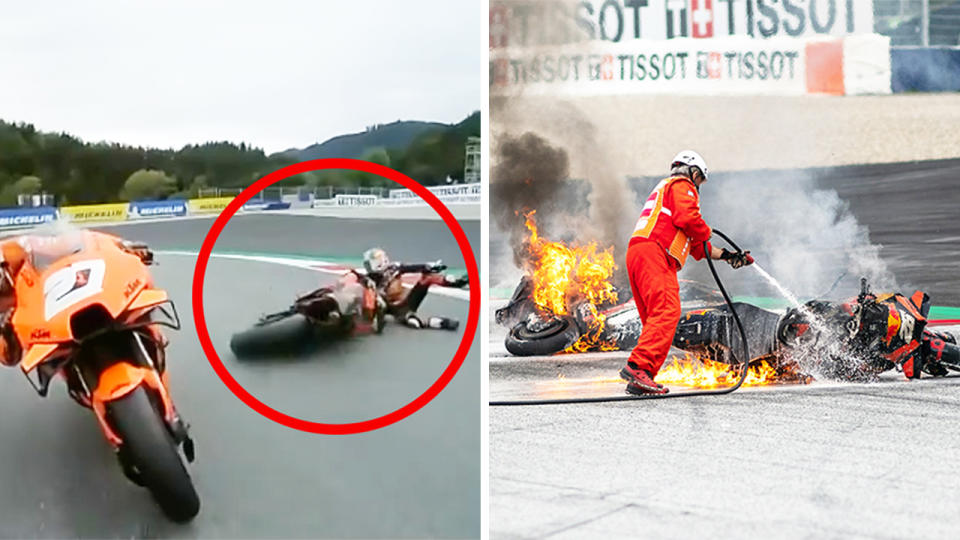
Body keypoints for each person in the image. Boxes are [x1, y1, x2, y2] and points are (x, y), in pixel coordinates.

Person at [620, 150, 754, 395]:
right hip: (655, 254)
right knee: (668, 311)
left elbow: (698, 248)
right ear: (693, 172)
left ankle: (642, 376)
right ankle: (638, 367)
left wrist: (729, 256)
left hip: (640, 252)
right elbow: (689, 219)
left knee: (655, 319)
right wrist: (704, 229)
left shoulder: (666, 193)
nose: (699, 186)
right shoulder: (682, 184)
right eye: (700, 179)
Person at [0, 233, 154, 367]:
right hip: (44, 325)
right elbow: (9, 358)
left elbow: (70, 242)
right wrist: (8, 335)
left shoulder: (14, 251)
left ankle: (154, 335)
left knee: (137, 294)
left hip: (64, 293)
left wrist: (121, 247)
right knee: (44, 355)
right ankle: (72, 374)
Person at [362, 247, 468, 330]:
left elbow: (412, 267)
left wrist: (428, 266)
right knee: (414, 322)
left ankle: (456, 283)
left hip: (408, 299)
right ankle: (443, 322)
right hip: (395, 309)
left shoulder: (393, 268)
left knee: (428, 277)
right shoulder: (369, 280)